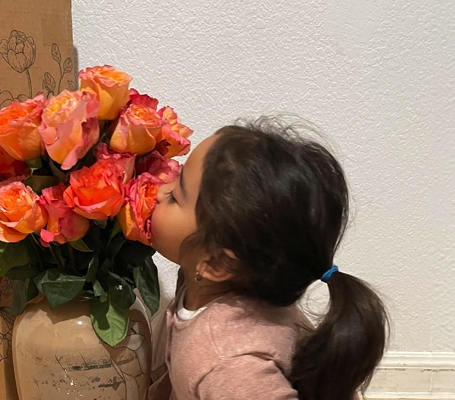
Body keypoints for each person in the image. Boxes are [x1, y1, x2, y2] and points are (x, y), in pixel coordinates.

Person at [147, 117, 388, 400]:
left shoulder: (228, 363)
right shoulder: (205, 284)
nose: (161, 190)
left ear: (217, 264)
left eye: (176, 196)